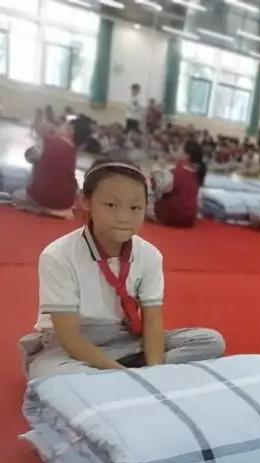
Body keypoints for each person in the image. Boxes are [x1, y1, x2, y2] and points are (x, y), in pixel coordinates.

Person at [17, 159, 225, 379]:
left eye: (135, 208)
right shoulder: (58, 255)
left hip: (126, 339)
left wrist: (155, 373)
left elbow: (152, 321)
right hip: (69, 347)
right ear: (86, 201)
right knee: (51, 373)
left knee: (210, 341)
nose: (124, 218)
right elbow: (70, 339)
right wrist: (128, 376)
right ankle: (123, 376)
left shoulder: (150, 254)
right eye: (111, 205)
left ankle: (112, 381)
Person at [15, 116, 93, 218]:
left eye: (62, 125)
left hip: (40, 197)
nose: (58, 127)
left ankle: (40, 207)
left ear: (70, 130)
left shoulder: (49, 142)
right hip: (65, 203)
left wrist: (41, 138)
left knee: (16, 192)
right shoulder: (72, 150)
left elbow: (29, 157)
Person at [151, 140, 207, 228]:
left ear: (186, 155)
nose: (176, 152)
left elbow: (159, 189)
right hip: (189, 219)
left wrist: (157, 167)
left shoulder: (175, 172)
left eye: (179, 150)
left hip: (171, 216)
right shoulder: (198, 173)